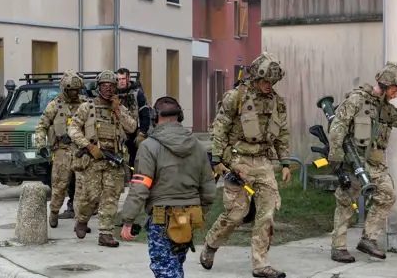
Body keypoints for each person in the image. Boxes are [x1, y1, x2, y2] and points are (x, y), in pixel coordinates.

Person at [200, 52, 292, 278]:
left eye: (273, 82)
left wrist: (285, 162)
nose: (269, 85)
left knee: (267, 214)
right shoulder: (236, 97)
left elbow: (282, 133)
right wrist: (217, 160)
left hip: (263, 161)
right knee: (236, 214)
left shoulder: (277, 102)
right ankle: (211, 244)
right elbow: (220, 127)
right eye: (266, 81)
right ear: (256, 77)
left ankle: (260, 264)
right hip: (238, 160)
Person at [328, 62, 397, 263]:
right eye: (395, 90)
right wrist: (336, 156)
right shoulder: (357, 99)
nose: (396, 94)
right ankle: (338, 247)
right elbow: (338, 126)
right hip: (355, 161)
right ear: (385, 84)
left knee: (387, 196)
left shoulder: (386, 109)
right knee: (346, 202)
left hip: (376, 165)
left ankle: (368, 239)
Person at [120, 96, 216, 278]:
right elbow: (209, 188)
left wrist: (128, 219)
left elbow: (140, 187)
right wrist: (199, 212)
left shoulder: (148, 147)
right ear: (180, 116)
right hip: (189, 217)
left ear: (154, 116)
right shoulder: (198, 146)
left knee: (165, 270)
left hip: (161, 218)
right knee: (175, 265)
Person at [68, 70, 137, 247]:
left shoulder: (120, 108)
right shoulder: (87, 107)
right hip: (92, 160)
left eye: (111, 85)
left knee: (111, 196)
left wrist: (117, 111)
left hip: (114, 160)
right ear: (98, 87)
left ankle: (106, 233)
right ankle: (82, 219)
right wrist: (89, 146)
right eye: (104, 85)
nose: (108, 89)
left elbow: (132, 128)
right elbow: (73, 129)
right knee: (91, 197)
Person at [35, 70, 87, 228]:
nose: (74, 93)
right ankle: (54, 211)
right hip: (62, 150)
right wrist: (40, 145)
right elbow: (42, 125)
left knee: (82, 187)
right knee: (59, 185)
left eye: (77, 90)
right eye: (71, 90)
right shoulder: (55, 105)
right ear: (65, 89)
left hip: (81, 150)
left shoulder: (85, 104)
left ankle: (80, 220)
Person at [116, 68, 151, 183]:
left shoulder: (137, 93)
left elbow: (145, 114)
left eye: (123, 79)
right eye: (119, 79)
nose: (121, 81)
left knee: (136, 157)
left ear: (129, 78)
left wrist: (142, 132)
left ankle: (136, 179)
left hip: (134, 131)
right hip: (118, 131)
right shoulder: (114, 93)